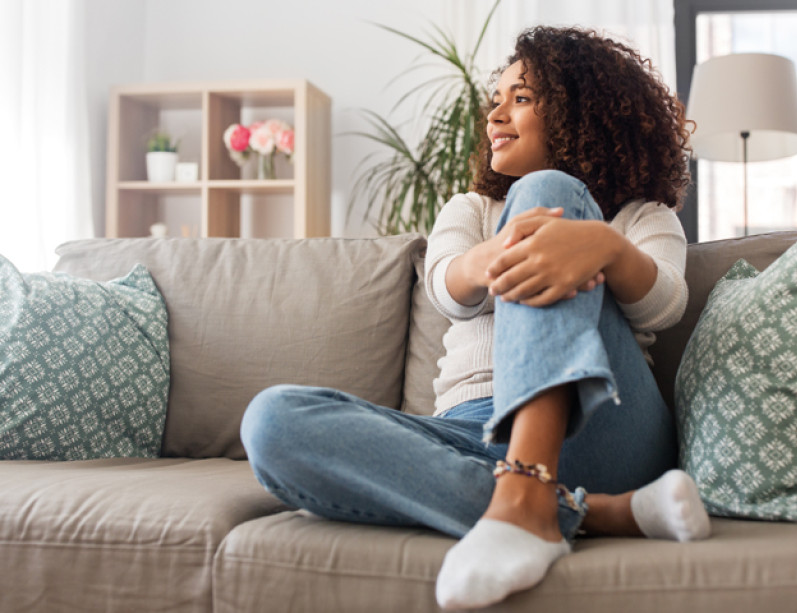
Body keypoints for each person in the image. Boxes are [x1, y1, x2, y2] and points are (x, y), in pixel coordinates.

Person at [241, 26, 711, 610]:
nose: (495, 115)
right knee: (272, 422)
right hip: (472, 434)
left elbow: (664, 304)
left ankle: (527, 497)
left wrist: (603, 247)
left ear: (581, 112)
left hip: (602, 426)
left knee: (548, 191)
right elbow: (445, 288)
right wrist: (493, 255)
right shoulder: (469, 209)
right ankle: (582, 511)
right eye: (497, 99)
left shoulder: (645, 216)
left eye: (521, 98)